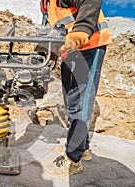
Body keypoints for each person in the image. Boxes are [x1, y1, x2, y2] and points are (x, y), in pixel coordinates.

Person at [42, 0, 112, 177]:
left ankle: (73, 159)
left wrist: (80, 32)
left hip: (90, 45)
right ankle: (83, 147)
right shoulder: (47, 4)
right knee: (72, 101)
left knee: (81, 102)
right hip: (69, 51)